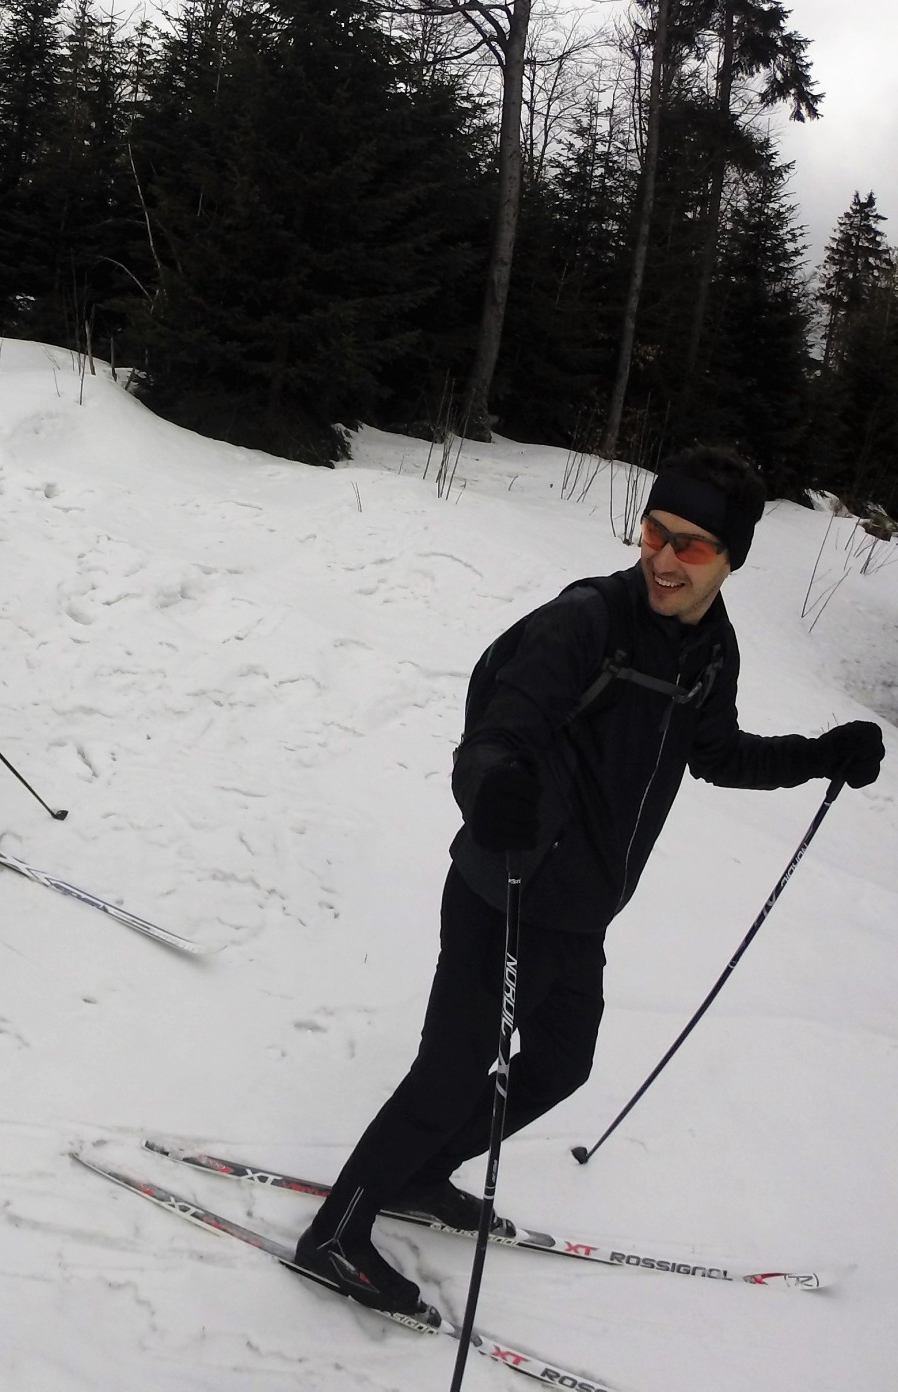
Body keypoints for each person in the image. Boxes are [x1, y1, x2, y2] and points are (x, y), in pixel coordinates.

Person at [293, 447, 886, 1316]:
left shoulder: (710, 649)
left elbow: (717, 753)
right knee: (448, 1075)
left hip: (583, 907)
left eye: (689, 545)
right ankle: (335, 1235)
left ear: (731, 558)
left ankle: (419, 1175)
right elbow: (497, 734)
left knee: (560, 1067)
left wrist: (819, 756)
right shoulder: (586, 620)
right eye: (653, 533)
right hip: (507, 889)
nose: (662, 558)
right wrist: (491, 790)